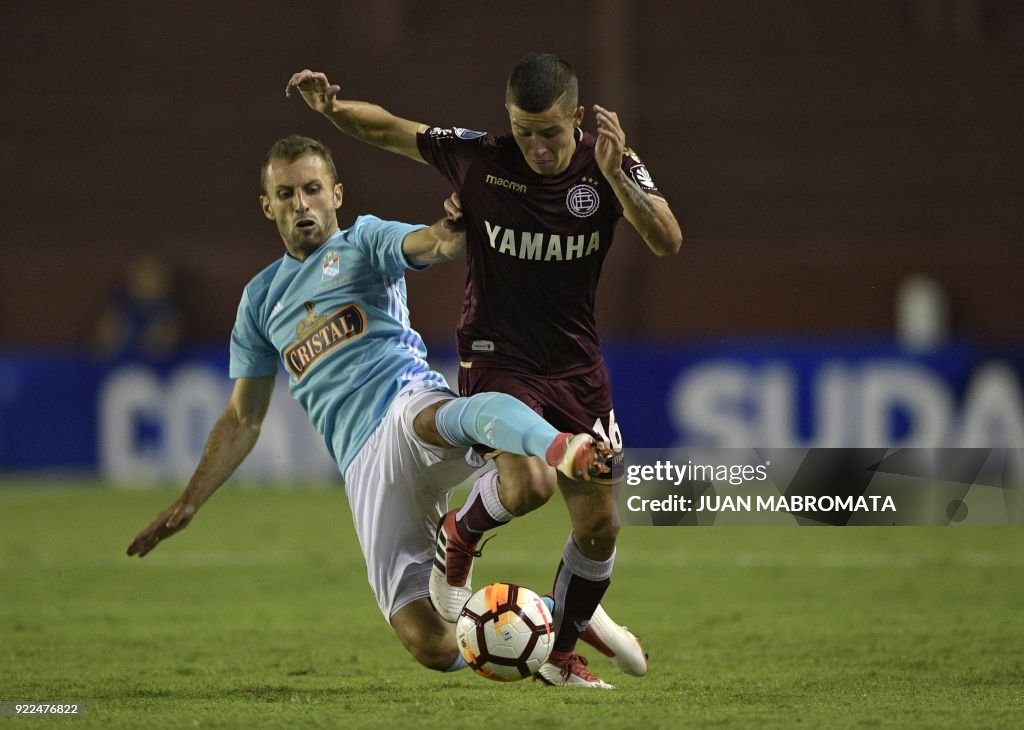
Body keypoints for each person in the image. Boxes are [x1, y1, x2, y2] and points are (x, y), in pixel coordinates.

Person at [125, 135, 612, 674]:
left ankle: (560, 445)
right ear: (267, 206)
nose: (301, 203)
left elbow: (429, 245)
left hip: (406, 401)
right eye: (285, 194)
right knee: (432, 645)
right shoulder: (260, 301)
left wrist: (450, 231)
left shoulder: (363, 241)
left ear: (336, 193)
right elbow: (244, 417)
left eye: (312, 189)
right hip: (362, 466)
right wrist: (190, 502)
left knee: (528, 479)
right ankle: (554, 613)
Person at [287, 52, 682, 688]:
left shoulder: (609, 163)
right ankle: (461, 530)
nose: (536, 146)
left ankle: (557, 654)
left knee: (601, 526)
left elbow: (667, 239)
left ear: (576, 118)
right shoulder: (480, 159)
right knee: (529, 484)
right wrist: (333, 109)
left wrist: (620, 180)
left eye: (550, 133)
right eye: (523, 131)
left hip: (577, 363)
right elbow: (388, 127)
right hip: (498, 354)